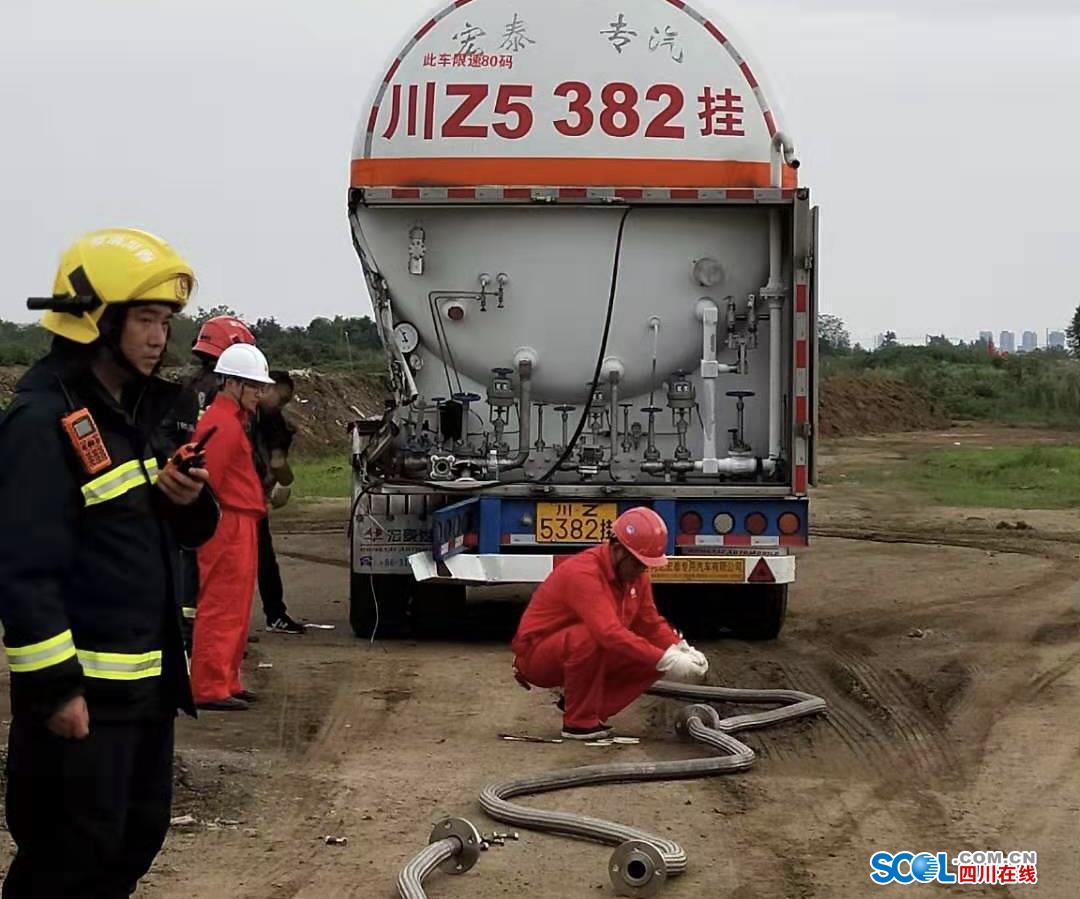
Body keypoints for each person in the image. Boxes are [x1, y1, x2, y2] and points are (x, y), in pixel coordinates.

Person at [0, 228, 219, 897]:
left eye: (165, 322)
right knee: (68, 859)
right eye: (146, 319)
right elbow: (22, 570)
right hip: (83, 699)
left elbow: (175, 533)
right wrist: (55, 690)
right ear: (95, 320)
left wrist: (186, 500)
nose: (159, 338)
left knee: (132, 841)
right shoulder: (40, 421)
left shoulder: (135, 417)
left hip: (144, 692)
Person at [511, 507, 709, 740]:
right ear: (617, 549)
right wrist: (666, 659)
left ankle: (587, 705)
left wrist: (679, 648)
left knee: (653, 654)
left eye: (645, 564)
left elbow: (650, 624)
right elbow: (607, 633)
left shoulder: (636, 575)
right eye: (638, 563)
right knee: (594, 638)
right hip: (537, 658)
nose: (642, 569)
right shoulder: (584, 573)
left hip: (574, 650)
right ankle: (578, 723)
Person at [189, 343, 276, 711]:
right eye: (254, 386)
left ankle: (226, 680)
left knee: (237, 606)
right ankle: (210, 686)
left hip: (239, 521)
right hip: (227, 523)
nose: (260, 393)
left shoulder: (229, 420)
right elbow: (207, 482)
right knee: (221, 604)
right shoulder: (221, 425)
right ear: (233, 384)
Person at [169, 315, 257, 643]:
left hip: (189, 486)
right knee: (217, 586)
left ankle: (187, 625)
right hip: (219, 503)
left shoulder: (187, 388)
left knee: (190, 565)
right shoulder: (225, 400)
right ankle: (199, 633)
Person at [253, 370, 306, 634]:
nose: (280, 405)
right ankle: (274, 614)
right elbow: (277, 463)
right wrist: (285, 482)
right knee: (260, 560)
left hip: (247, 498)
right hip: (242, 500)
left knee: (261, 560)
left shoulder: (263, 416)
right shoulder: (266, 418)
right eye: (281, 399)